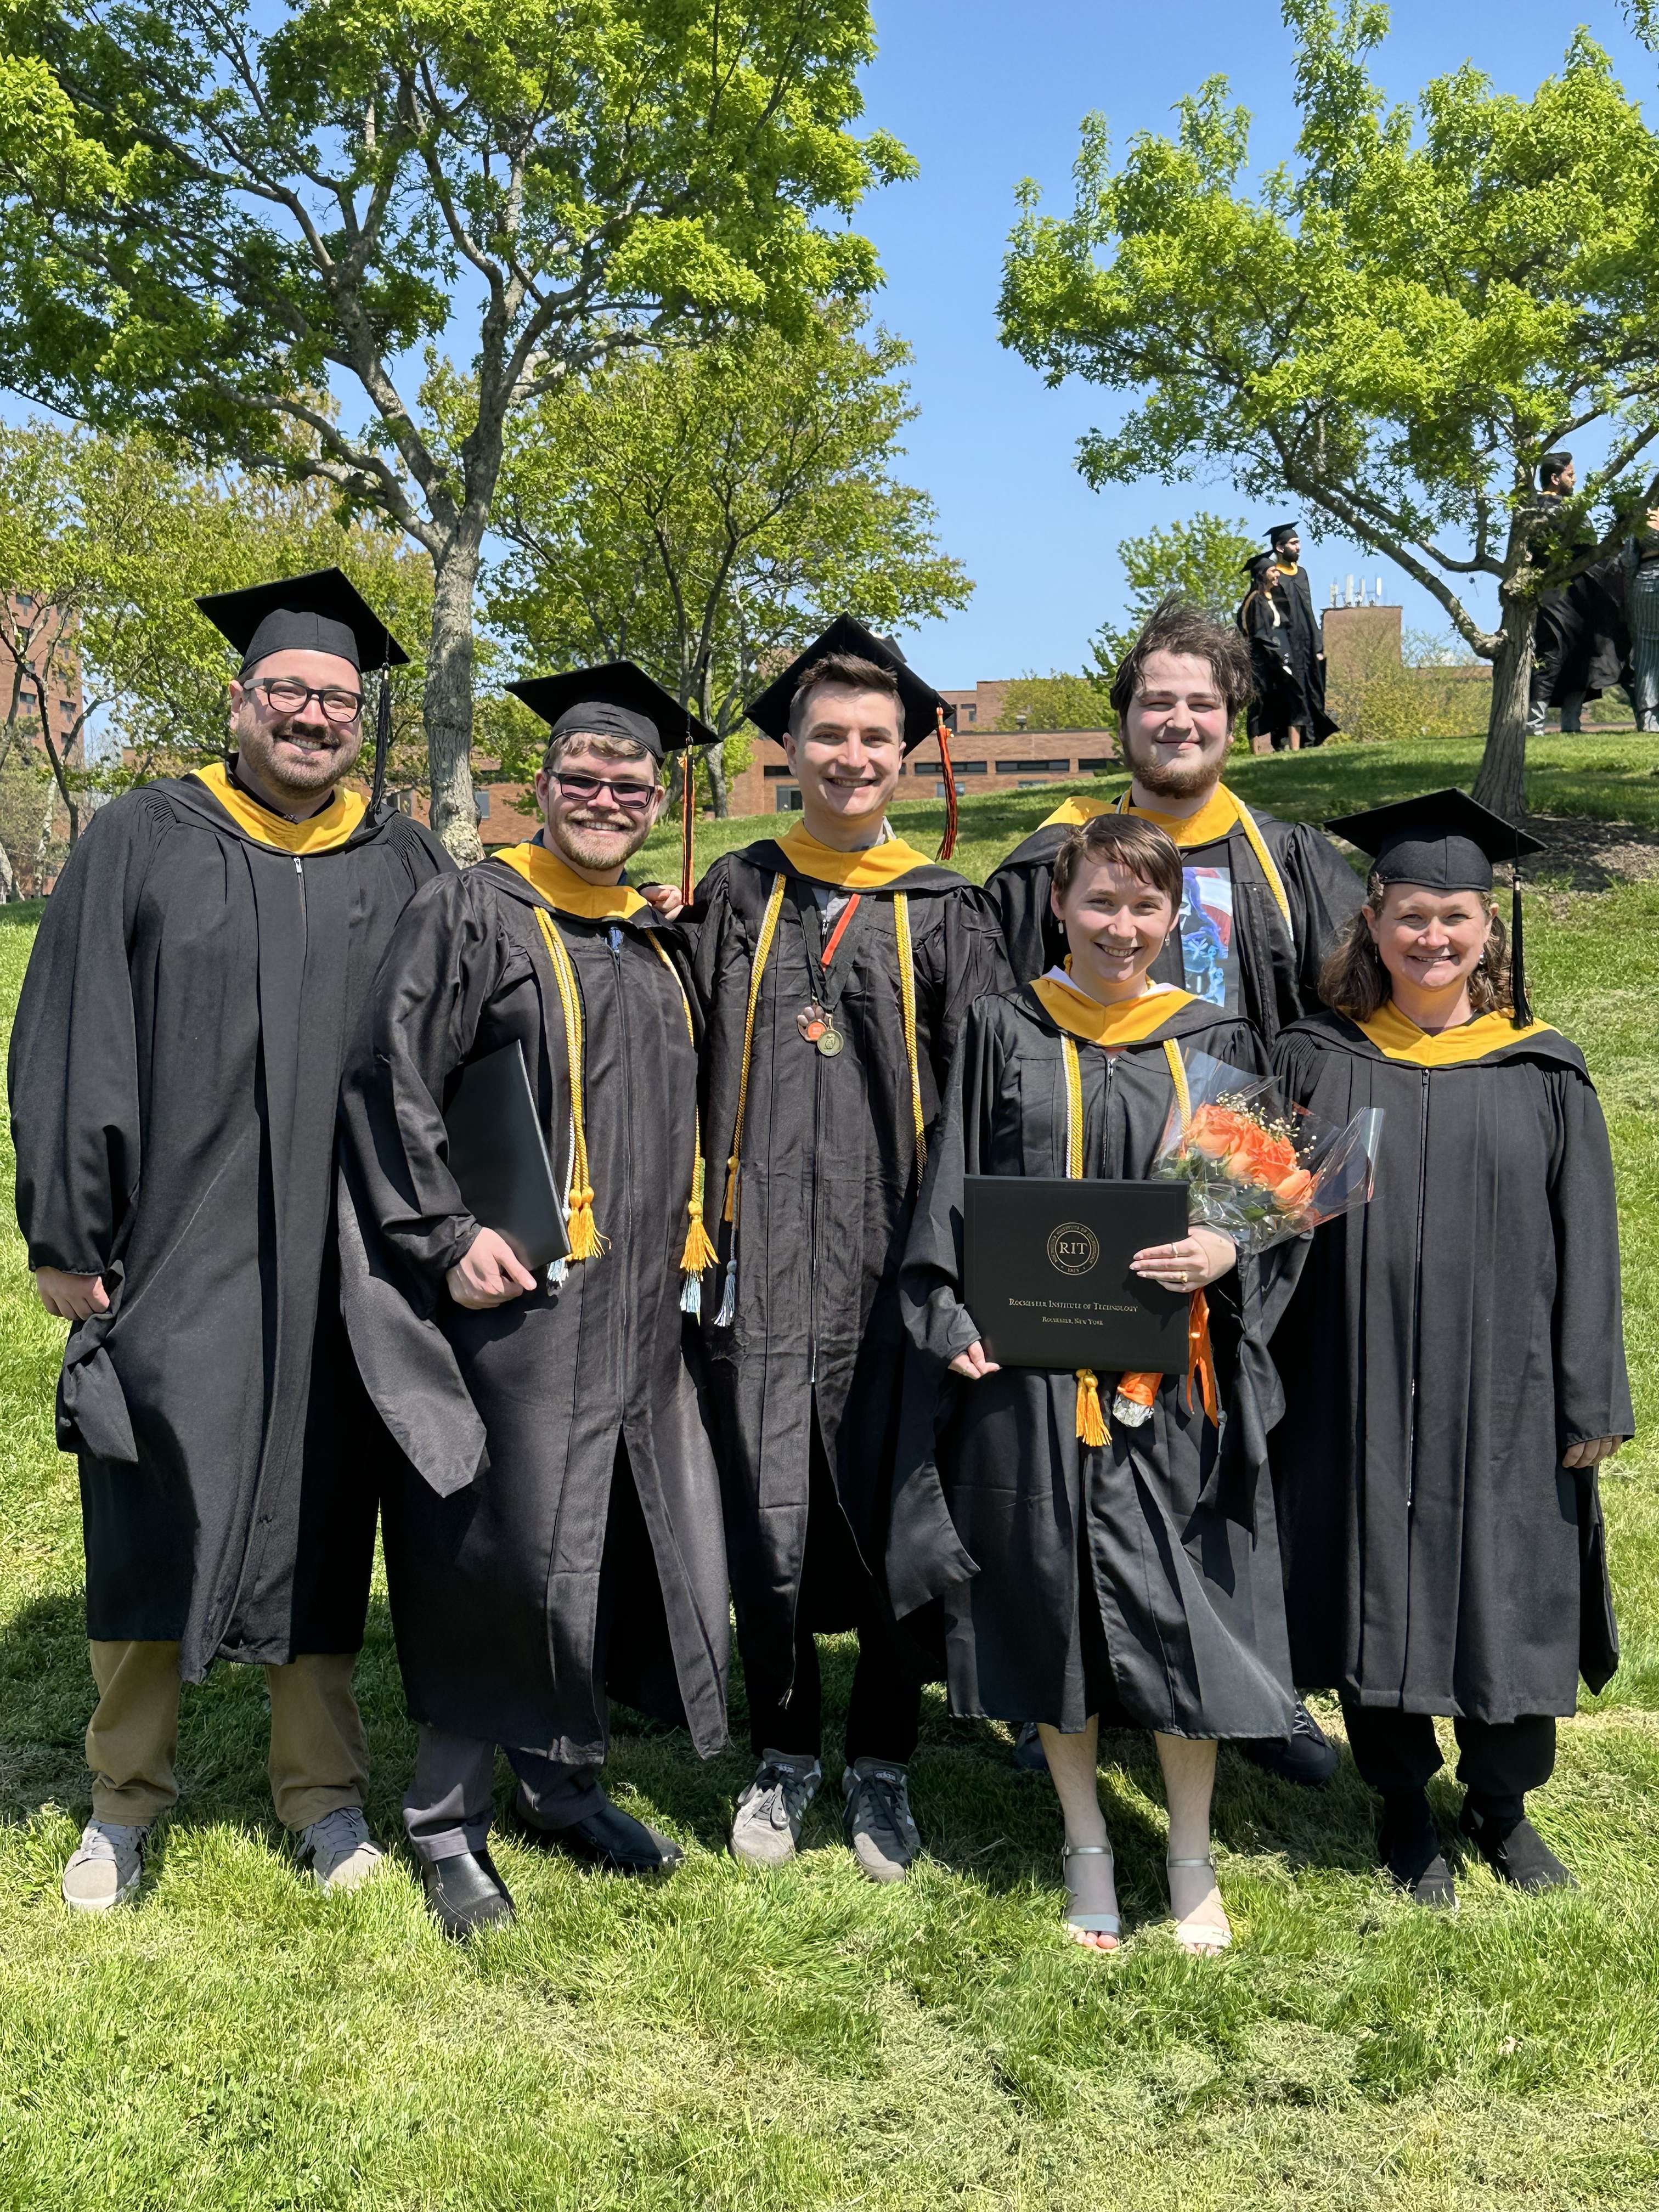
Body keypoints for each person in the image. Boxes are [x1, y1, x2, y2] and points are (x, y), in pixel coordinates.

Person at [8, 568, 451, 1912]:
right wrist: (68, 1232)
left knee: (323, 1513)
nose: (313, 717)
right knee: (151, 1499)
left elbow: (472, 1031)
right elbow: (72, 1035)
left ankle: (321, 1797)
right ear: (240, 698)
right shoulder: (144, 835)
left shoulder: (407, 859)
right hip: (173, 1247)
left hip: (338, 1256)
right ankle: (122, 1800)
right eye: (290, 693)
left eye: (336, 698)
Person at [336, 663, 732, 1938]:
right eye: (581, 779)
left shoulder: (655, 941)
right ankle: (446, 1821)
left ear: (658, 795)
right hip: (514, 1305)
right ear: (541, 787)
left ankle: (565, 1787)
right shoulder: (473, 914)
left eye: (630, 783)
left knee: (596, 1551)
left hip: (636, 1308)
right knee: (500, 1551)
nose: (605, 798)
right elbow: (390, 1079)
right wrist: (443, 1235)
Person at [891, 814, 1298, 1955]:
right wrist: (947, 1310)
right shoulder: (1002, 1028)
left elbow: (1259, 1205)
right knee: (1049, 1601)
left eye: (1144, 906)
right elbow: (954, 1185)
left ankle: (1190, 1852)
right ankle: (1084, 1841)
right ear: (1060, 908)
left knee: (1184, 1609)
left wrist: (1228, 1246)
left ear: (1173, 919)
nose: (1122, 928)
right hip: (1030, 1386)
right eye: (1100, 903)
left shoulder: (1214, 1036)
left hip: (1169, 1381)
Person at [985, 599, 1362, 1785]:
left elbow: (1356, 1012)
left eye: (1203, 701)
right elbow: (987, 1026)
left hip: (1243, 1200)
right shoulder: (1051, 860)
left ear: (1234, 717)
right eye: (1158, 700)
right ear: (1126, 720)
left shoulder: (1291, 859)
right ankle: (1068, 1679)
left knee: (1247, 1443)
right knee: (1078, 1457)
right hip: (1084, 1208)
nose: (1181, 720)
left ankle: (1259, 1682)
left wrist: (1264, 1201)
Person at [691, 617, 1011, 1882]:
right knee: (765, 1510)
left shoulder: (947, 911)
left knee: (895, 1513)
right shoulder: (736, 892)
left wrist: (974, 1279)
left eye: (877, 736)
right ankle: (782, 1752)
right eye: (829, 733)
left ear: (907, 752)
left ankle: (883, 1761)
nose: (852, 755)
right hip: (758, 1254)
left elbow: (995, 1103)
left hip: (898, 1261)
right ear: (791, 748)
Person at [1270, 791, 1631, 1906]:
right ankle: (1401, 1804)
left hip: (1508, 1392)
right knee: (1377, 1581)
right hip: (1354, 1380)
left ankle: (1504, 1805)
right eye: (1411, 916)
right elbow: (1243, 1222)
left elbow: (1590, 1246)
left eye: (1456, 918)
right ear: (1372, 926)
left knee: (1509, 1589)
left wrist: (1589, 1404)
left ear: (1489, 931)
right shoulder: (1312, 1057)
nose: (1433, 937)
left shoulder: (1543, 1071)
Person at [1525, 453, 1627, 736]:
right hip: (1553, 595)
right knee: (1552, 654)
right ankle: (1534, 725)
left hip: (1581, 594)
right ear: (1555, 479)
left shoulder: (1570, 508)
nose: (1576, 479)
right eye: (1571, 474)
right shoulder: (1537, 509)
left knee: (1583, 654)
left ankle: (1573, 723)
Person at [1257, 523, 1337, 749]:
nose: (1299, 547)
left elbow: (1309, 610)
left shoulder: (1302, 574)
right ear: (1280, 548)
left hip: (1307, 644)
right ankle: (1285, 741)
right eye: (1294, 544)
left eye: (1299, 543)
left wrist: (1318, 645)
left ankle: (1311, 741)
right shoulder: (1272, 576)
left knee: (1313, 689)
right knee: (1289, 693)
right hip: (1287, 644)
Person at [1237, 552, 1306, 753]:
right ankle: (1256, 750)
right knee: (1259, 704)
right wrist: (1277, 654)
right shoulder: (1255, 600)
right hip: (1263, 661)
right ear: (1261, 574)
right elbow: (1259, 633)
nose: (1277, 573)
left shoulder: (1274, 599)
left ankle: (1295, 749)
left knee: (1294, 698)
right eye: (1273, 570)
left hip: (1282, 657)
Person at [1621, 501, 1659, 732]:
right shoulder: (1642, 517)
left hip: (1644, 582)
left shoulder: (1642, 518)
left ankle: (1649, 719)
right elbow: (1628, 561)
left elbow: (1628, 562)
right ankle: (1649, 717)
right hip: (1646, 582)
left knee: (1647, 650)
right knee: (1647, 650)